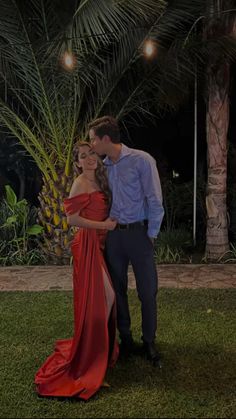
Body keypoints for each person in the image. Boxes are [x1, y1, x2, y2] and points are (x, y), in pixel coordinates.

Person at [35, 142, 119, 400]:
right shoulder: (80, 182)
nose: (90, 158)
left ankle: (96, 352)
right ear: (78, 163)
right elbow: (71, 220)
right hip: (87, 245)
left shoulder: (100, 180)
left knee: (103, 300)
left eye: (92, 153)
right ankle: (90, 360)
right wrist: (102, 224)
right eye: (84, 156)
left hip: (99, 245)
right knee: (104, 299)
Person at [88, 116, 164, 367]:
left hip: (139, 234)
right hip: (115, 237)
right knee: (117, 290)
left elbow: (155, 200)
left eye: (93, 140)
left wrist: (151, 235)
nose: (92, 145)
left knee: (147, 291)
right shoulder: (104, 167)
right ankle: (127, 339)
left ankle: (149, 341)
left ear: (105, 139)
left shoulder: (142, 160)